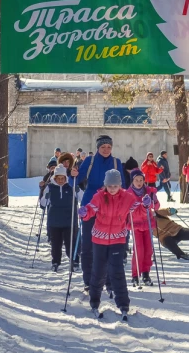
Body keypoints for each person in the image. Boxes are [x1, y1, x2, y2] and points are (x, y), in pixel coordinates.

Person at [78, 169, 142, 320]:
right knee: (98, 271)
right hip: (99, 239)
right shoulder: (99, 196)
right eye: (110, 186)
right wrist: (84, 212)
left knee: (117, 271)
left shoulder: (127, 197)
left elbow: (137, 209)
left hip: (118, 239)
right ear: (105, 185)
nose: (112, 189)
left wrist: (145, 206)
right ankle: (94, 301)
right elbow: (91, 210)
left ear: (120, 185)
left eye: (115, 186)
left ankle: (123, 304)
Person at [71, 135, 125, 292]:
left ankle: (108, 281)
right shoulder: (90, 161)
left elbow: (123, 185)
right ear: (97, 148)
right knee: (88, 245)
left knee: (107, 244)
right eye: (103, 147)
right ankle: (89, 280)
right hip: (90, 205)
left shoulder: (116, 162)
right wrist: (73, 175)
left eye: (109, 147)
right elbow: (77, 178)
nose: (106, 150)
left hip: (110, 207)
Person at [40, 164, 80, 272]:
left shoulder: (71, 186)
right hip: (54, 221)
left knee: (70, 243)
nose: (61, 180)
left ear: (66, 178)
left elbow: (82, 198)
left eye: (63, 178)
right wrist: (45, 197)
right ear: (55, 178)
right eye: (59, 178)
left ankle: (75, 260)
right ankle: (55, 262)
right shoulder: (50, 187)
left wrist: (78, 191)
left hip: (69, 220)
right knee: (56, 244)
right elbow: (43, 204)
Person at [127, 168, 159, 286]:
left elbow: (156, 207)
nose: (139, 182)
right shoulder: (128, 194)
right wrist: (138, 206)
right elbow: (128, 209)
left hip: (148, 223)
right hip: (135, 225)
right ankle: (135, 274)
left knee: (148, 250)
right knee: (138, 250)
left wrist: (153, 201)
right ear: (132, 181)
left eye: (141, 180)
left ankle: (146, 273)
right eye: (136, 180)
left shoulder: (149, 191)